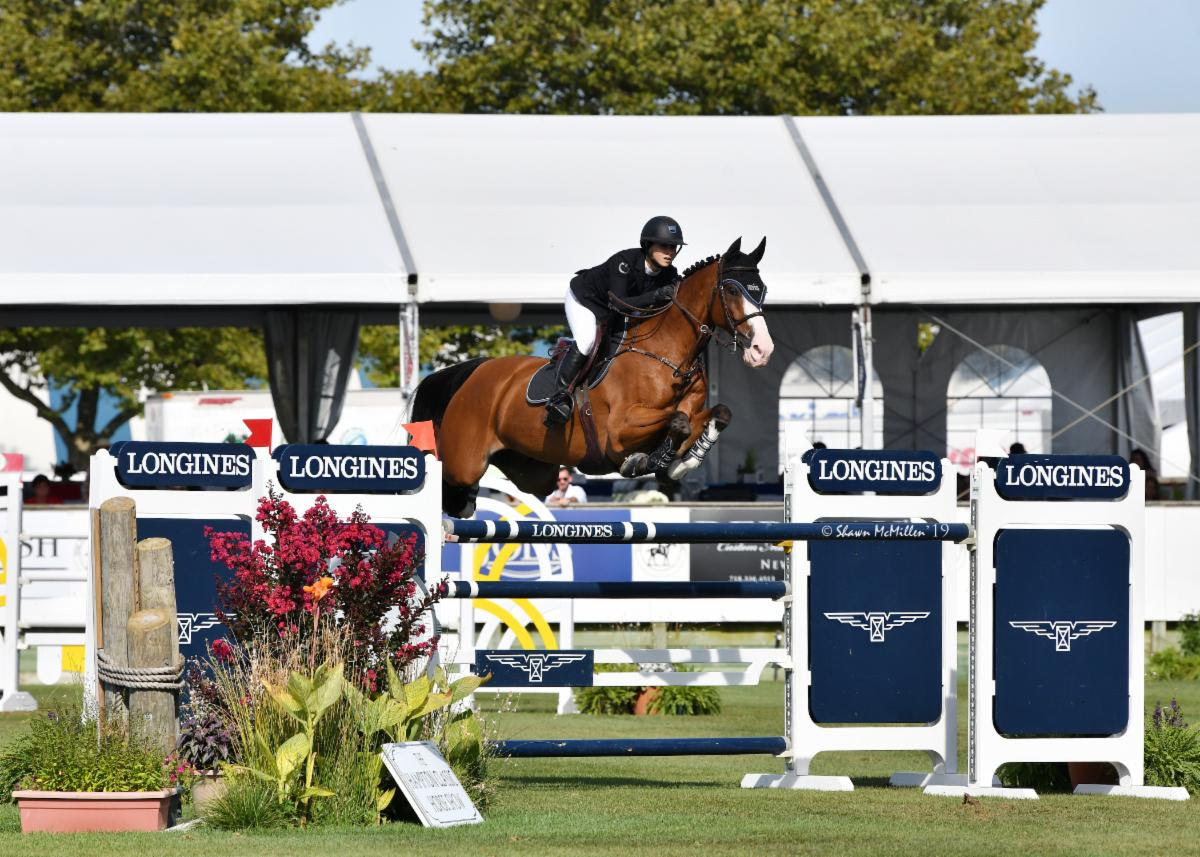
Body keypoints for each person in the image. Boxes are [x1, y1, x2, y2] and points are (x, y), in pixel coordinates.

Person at [544, 216, 686, 426]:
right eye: (664, 245)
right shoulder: (624, 263)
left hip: (614, 311)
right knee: (587, 341)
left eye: (674, 247)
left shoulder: (669, 274)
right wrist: (655, 296)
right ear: (647, 245)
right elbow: (619, 305)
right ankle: (559, 398)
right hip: (585, 300)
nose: (670, 252)